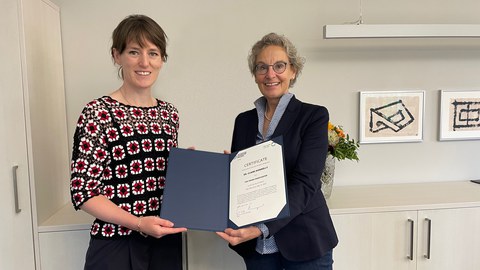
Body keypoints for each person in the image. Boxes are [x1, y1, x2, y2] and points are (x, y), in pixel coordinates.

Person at [69, 14, 186, 270]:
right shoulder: (97, 112)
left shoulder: (169, 113)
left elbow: (162, 179)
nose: (145, 62)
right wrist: (138, 222)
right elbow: (84, 192)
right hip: (116, 244)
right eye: (134, 52)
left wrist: (187, 167)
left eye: (153, 53)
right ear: (116, 55)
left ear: (162, 59)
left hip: (165, 240)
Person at [217, 33, 338, 270]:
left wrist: (261, 228)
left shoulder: (313, 116)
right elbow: (241, 186)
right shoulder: (243, 121)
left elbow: (305, 183)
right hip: (257, 248)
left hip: (304, 241)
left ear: (293, 71)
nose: (270, 74)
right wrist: (226, 172)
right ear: (255, 75)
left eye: (279, 66)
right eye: (262, 67)